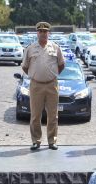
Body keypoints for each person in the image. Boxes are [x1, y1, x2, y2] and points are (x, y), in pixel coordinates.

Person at [21, 22, 65, 151]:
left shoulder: (55, 47)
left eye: (45, 32)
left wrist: (52, 75)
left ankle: (52, 141)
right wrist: (35, 74)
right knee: (35, 115)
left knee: (53, 115)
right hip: (36, 85)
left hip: (52, 85)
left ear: (48, 33)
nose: (43, 34)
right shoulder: (30, 48)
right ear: (37, 33)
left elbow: (61, 64)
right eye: (40, 32)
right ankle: (36, 141)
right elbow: (24, 66)